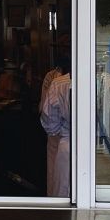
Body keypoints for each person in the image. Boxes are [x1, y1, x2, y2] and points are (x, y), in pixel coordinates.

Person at [39, 54, 72, 199]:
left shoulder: (59, 83)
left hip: (65, 143)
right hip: (99, 148)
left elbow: (50, 122)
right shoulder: (109, 81)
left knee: (63, 195)